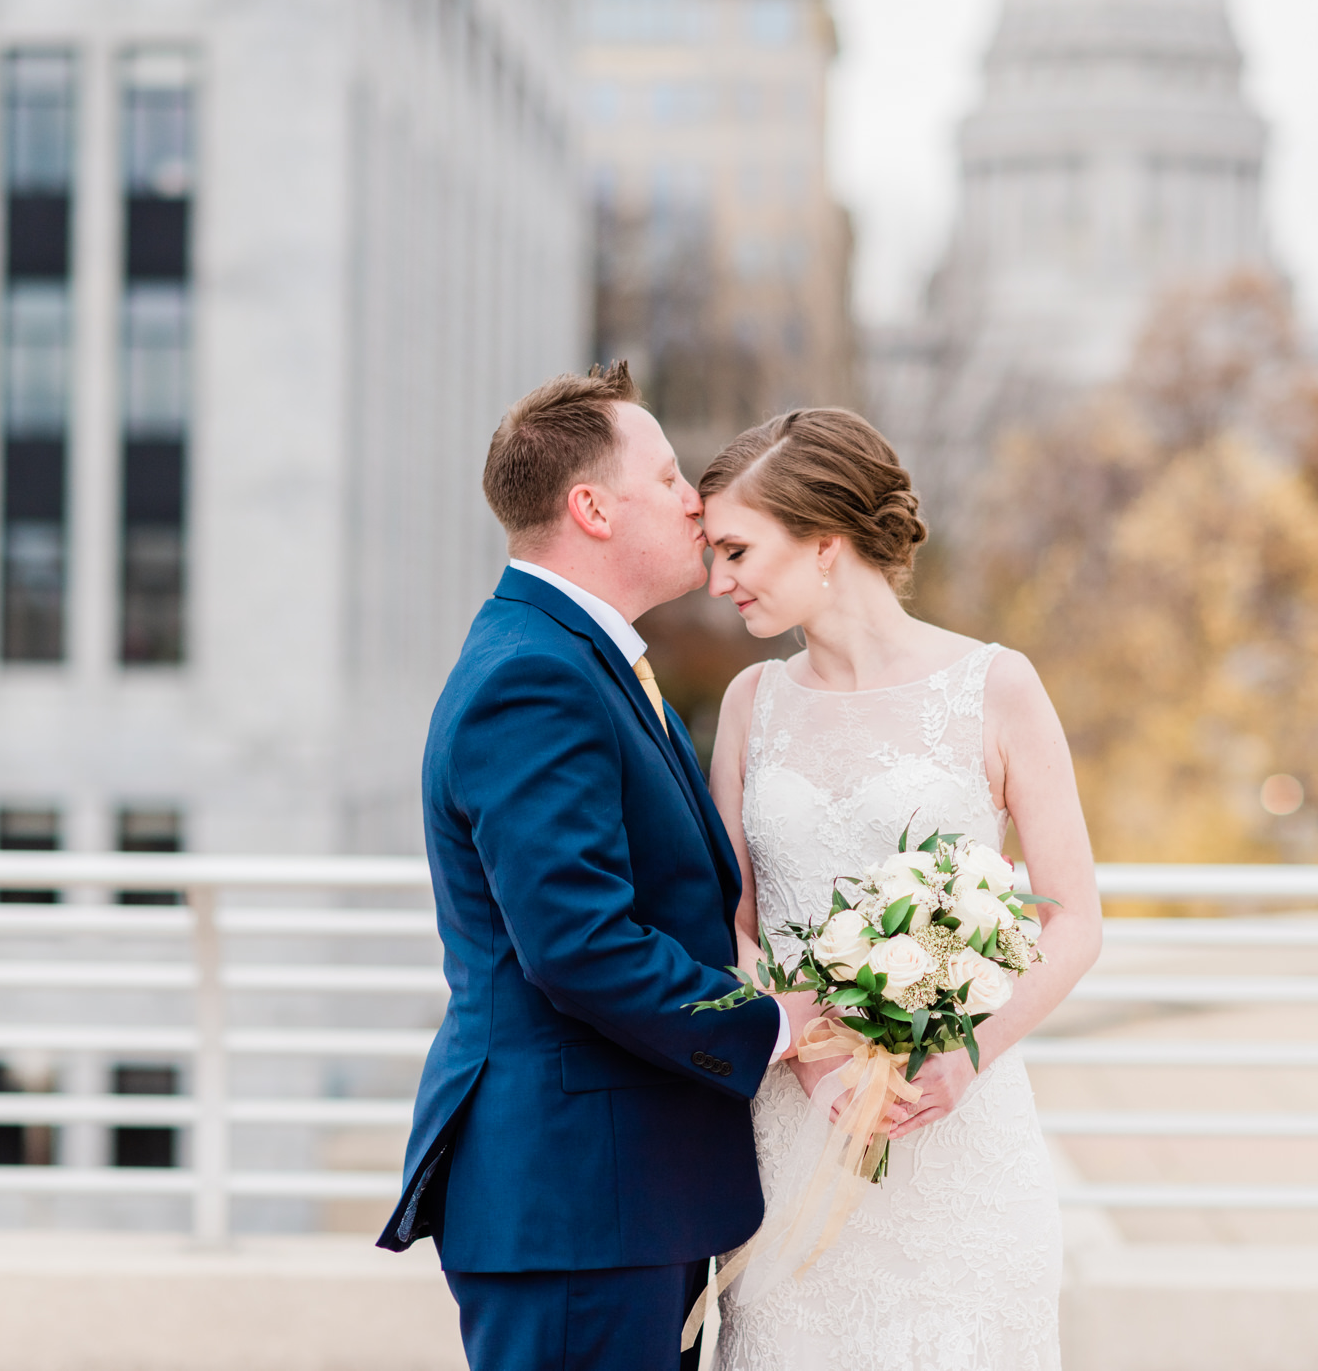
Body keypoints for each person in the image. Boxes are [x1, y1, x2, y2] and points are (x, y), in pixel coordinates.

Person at [378, 364, 800, 1371]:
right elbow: (579, 943)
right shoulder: (534, 676)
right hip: (576, 1202)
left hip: (620, 1199)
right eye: (666, 478)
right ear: (592, 507)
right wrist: (771, 1026)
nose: (694, 498)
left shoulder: (579, 658)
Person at [700, 408, 1103, 1370]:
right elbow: (733, 920)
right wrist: (808, 1052)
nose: (718, 581)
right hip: (798, 1130)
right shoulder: (752, 704)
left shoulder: (997, 687)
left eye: (737, 550)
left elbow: (1075, 920)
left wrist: (966, 1054)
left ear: (825, 543)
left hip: (957, 1135)